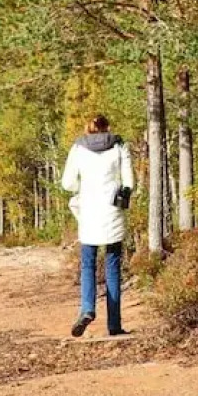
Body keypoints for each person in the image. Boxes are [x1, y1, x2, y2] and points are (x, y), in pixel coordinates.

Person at [60, 114, 134, 337]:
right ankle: (114, 325)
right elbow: (130, 182)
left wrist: (84, 184)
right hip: (112, 211)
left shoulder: (78, 148)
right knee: (112, 267)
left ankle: (87, 309)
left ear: (88, 129)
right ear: (107, 127)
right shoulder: (119, 145)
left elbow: (68, 183)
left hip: (89, 212)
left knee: (88, 265)